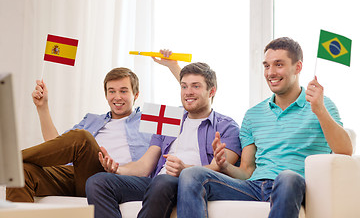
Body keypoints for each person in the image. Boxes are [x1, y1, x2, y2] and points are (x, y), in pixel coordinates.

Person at [176, 37, 353, 218]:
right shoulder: (253, 115)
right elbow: (246, 171)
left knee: (287, 177)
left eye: (278, 65)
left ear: (298, 67)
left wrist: (320, 111)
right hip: (254, 187)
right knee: (192, 175)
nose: (271, 72)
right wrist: (225, 166)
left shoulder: (321, 105)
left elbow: (345, 150)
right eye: (266, 66)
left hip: (292, 185)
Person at [85, 62, 241, 218]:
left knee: (163, 182)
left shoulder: (226, 126)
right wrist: (117, 169)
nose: (188, 92)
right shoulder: (171, 118)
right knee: (97, 182)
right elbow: (145, 165)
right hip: (157, 182)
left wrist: (185, 169)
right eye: (184, 86)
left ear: (212, 91)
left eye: (196, 86)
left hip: (189, 184)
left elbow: (219, 168)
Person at [6, 67, 154, 202]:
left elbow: (178, 114)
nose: (117, 97)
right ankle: (11, 163)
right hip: (75, 174)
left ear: (136, 94)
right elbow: (57, 146)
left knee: (82, 138)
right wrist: (42, 107)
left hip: (112, 179)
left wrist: (173, 66)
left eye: (123, 91)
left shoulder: (148, 121)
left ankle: (7, 161)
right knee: (21, 172)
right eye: (112, 91)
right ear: (106, 94)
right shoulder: (92, 119)